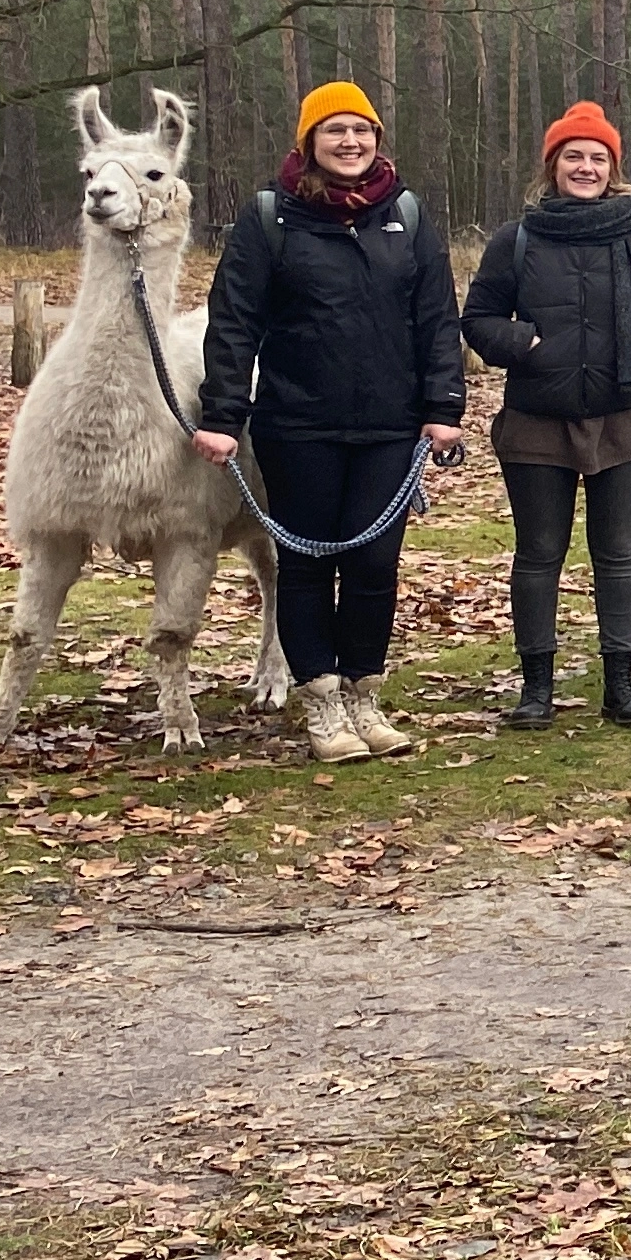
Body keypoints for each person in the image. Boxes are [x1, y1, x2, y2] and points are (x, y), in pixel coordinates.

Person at [193, 80, 465, 765]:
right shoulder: (269, 218)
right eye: (335, 131)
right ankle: (320, 699)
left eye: (362, 130)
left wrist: (443, 408)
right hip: (298, 423)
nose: (350, 142)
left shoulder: (404, 213)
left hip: (388, 427)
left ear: (377, 139)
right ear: (309, 141)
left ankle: (364, 692)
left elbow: (435, 316)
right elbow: (233, 324)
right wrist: (224, 414)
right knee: (309, 564)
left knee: (375, 564)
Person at [463, 101, 631, 732]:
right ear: (553, 166)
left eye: (597, 157)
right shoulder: (518, 239)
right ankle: (535, 687)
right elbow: (479, 319)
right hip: (538, 421)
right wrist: (526, 345)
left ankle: (621, 685)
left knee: (617, 553)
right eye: (574, 156)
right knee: (539, 554)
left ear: (612, 168)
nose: (585, 167)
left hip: (627, 418)